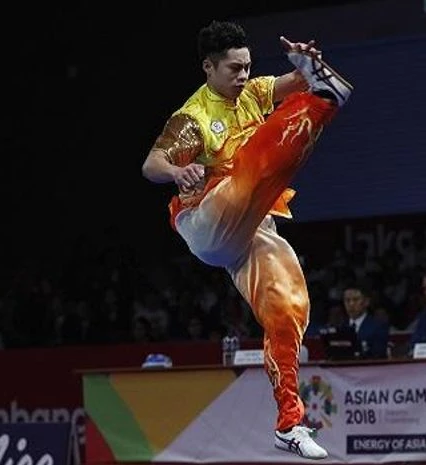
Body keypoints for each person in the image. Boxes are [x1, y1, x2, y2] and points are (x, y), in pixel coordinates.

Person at [141, 20, 352, 460]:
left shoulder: (255, 91)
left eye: (247, 66)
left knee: (289, 311)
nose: (242, 75)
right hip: (206, 220)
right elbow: (152, 163)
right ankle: (322, 106)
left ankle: (289, 423)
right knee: (252, 165)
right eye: (234, 69)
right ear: (209, 67)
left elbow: (297, 79)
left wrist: (308, 65)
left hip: (251, 227)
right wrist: (178, 171)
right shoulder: (193, 117)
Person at [342, 284, 390, 359]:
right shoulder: (341, 327)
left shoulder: (378, 327)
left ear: (366, 302)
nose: (351, 304)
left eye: (356, 299)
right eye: (347, 300)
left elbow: (378, 354)